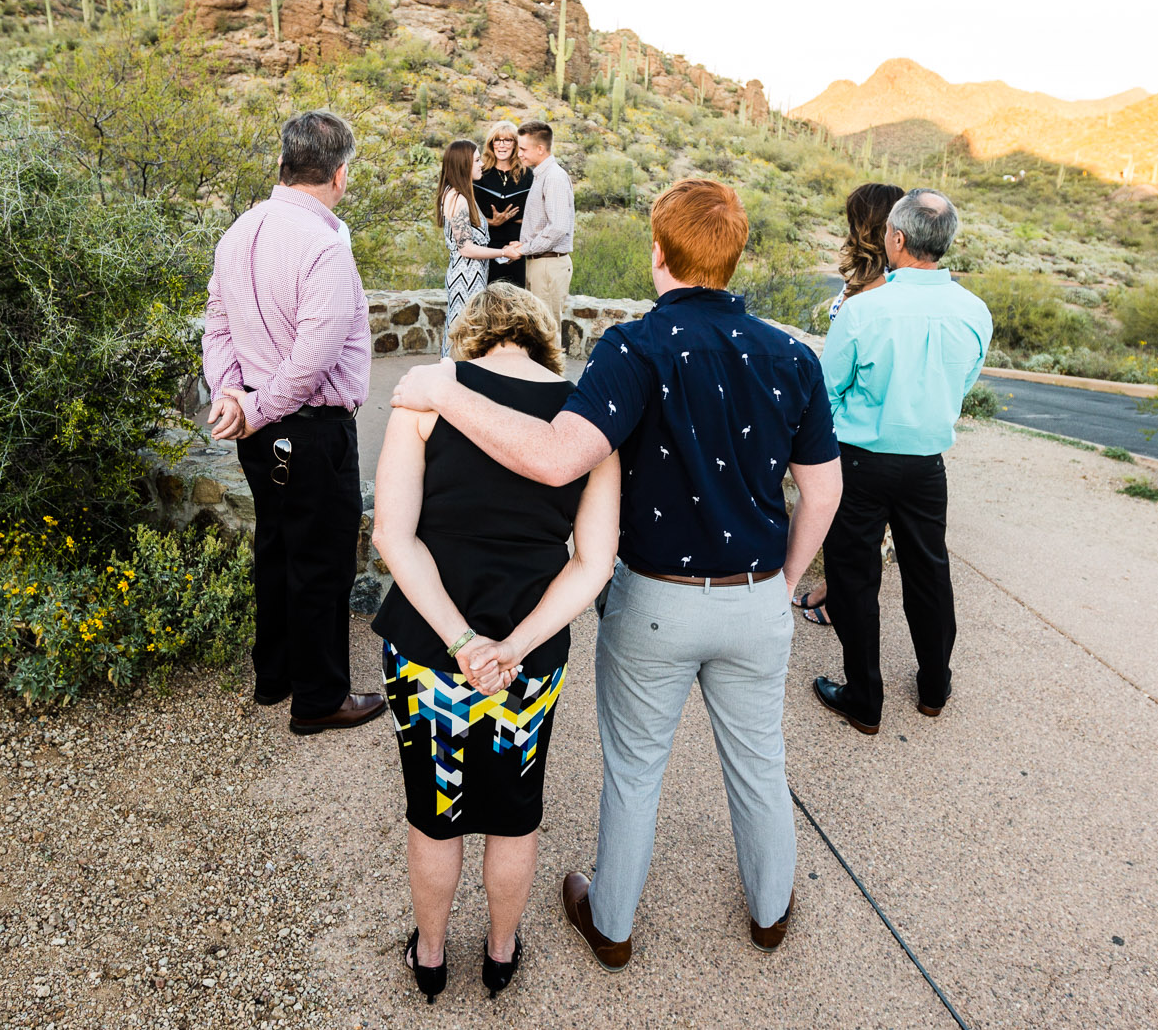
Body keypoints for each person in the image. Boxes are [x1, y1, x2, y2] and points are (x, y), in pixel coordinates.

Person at [391, 178, 843, 972]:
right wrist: (782, 581)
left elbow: (561, 454)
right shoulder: (794, 357)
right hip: (755, 599)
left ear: (659, 254)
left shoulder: (633, 348)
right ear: (733, 258)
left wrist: (444, 387)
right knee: (762, 765)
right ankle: (771, 912)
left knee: (635, 770)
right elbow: (824, 488)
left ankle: (614, 923)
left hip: (657, 601)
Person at [371, 283, 622, 1002]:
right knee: (515, 812)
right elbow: (594, 561)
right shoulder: (587, 419)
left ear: (471, 338)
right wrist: (511, 645)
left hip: (426, 648)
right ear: (543, 340)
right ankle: (502, 950)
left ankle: (428, 953)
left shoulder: (428, 394)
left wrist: (460, 639)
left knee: (435, 809)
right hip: (530, 658)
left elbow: (393, 532)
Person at [204, 109, 387, 737]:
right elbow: (311, 360)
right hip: (309, 429)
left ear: (284, 166)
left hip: (260, 430)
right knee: (322, 559)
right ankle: (319, 699)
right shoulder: (325, 245)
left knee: (277, 545)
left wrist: (230, 394)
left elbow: (218, 324)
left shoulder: (238, 231)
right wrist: (249, 405)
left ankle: (274, 673)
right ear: (338, 175)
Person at [812, 189, 991, 734]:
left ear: (897, 238)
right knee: (929, 572)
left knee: (854, 575)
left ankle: (865, 698)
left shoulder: (866, 309)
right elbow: (963, 384)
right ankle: (935, 684)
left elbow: (827, 389)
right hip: (927, 465)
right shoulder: (974, 311)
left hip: (862, 461)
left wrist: (853, 421)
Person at [797, 181, 904, 628]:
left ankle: (838, 597)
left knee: (852, 524)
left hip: (858, 418)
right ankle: (832, 587)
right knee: (844, 520)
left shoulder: (887, 285)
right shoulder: (865, 277)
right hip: (846, 412)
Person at [437, 139, 519, 358]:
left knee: (466, 331)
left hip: (473, 275)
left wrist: (494, 227)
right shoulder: (458, 198)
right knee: (464, 333)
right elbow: (467, 249)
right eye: (475, 160)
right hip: (466, 278)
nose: (481, 164)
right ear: (463, 165)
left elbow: (471, 237)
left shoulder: (459, 196)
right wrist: (503, 252)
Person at [514, 120, 575, 327]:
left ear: (540, 148)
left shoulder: (554, 178)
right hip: (539, 262)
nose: (519, 154)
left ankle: (548, 362)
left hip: (548, 264)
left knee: (547, 329)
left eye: (523, 148)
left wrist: (525, 248)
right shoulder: (541, 176)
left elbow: (558, 227)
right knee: (539, 329)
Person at [476, 120, 532, 288]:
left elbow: (535, 212)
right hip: (488, 247)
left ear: (515, 145)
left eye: (507, 140)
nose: (502, 145)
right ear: (491, 144)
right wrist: (491, 221)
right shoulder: (480, 173)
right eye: (497, 140)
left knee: (516, 300)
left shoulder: (527, 174)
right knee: (489, 300)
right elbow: (468, 214)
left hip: (517, 247)